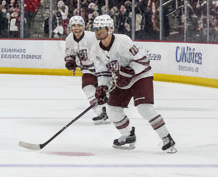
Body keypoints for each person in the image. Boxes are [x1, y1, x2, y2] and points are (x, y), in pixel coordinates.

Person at [90, 13, 176, 153]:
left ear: (110, 29)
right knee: (113, 110)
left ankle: (166, 137)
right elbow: (102, 72)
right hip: (121, 80)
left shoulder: (123, 41)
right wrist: (102, 87)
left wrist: (130, 71)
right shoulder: (96, 48)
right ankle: (128, 135)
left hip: (140, 76)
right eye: (96, 29)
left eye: (102, 29)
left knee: (144, 108)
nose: (98, 32)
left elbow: (142, 60)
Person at [63, 14, 107, 123]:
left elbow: (103, 49)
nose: (76, 28)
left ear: (83, 26)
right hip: (86, 69)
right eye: (74, 26)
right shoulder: (69, 38)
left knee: (104, 92)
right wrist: (70, 60)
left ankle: (112, 111)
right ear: (70, 27)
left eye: (79, 25)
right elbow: (69, 52)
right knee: (87, 88)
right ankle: (100, 112)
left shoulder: (92, 37)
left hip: (101, 68)